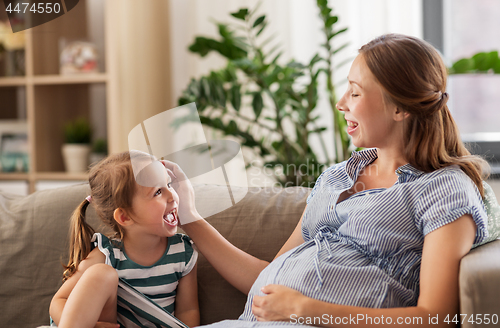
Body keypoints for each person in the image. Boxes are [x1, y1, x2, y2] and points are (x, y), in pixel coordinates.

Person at [163, 34, 490, 328]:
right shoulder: (336, 176)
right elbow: (266, 280)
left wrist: (305, 309)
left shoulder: (444, 189)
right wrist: (190, 216)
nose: (341, 102)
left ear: (400, 108)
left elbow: (434, 318)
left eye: (356, 92)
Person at [49, 151, 199, 328]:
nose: (172, 195)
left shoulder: (183, 252)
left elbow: (188, 311)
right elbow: (59, 300)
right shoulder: (106, 255)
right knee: (101, 274)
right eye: (158, 192)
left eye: (169, 184)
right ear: (125, 217)